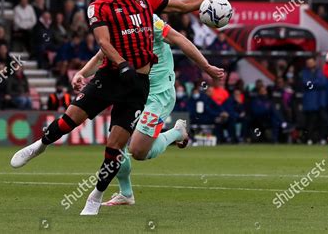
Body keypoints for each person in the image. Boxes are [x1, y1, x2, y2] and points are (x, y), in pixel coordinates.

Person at [10, 0, 242, 216]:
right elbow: (103, 45)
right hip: (111, 77)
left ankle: (95, 197)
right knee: (70, 119)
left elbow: (184, 5)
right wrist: (116, 66)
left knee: (115, 148)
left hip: (138, 85)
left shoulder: (146, 0)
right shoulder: (99, 7)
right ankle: (40, 145)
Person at [72, 15, 224, 206]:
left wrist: (206, 66)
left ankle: (177, 132)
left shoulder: (150, 21)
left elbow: (180, 39)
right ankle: (126, 194)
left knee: (137, 151)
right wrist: (81, 73)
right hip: (132, 93)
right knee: (115, 146)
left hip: (158, 95)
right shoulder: (115, 23)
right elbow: (101, 55)